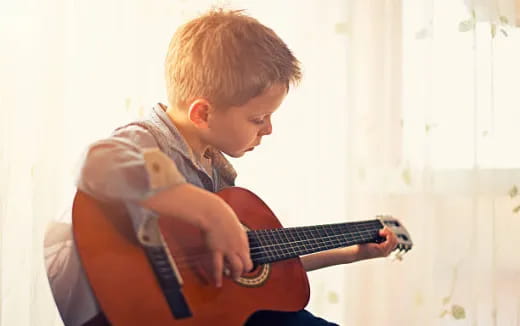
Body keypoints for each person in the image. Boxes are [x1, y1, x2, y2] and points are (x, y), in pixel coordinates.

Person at [44, 8, 398, 326]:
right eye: (258, 118)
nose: (269, 129)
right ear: (202, 113)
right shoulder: (150, 144)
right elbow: (97, 162)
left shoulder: (214, 170)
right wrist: (211, 211)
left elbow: (248, 273)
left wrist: (350, 252)